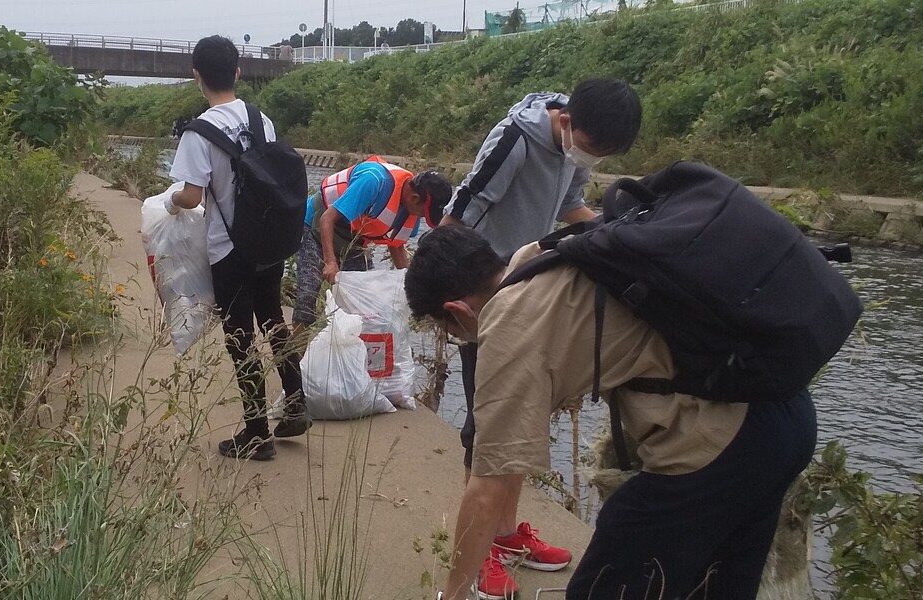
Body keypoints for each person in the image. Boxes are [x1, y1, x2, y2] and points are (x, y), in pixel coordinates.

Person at [405, 225, 818, 600]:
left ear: (458, 310)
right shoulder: (542, 255)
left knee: (601, 587)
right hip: (783, 410)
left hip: (723, 440)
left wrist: (453, 594)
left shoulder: (508, 329)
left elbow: (485, 490)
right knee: (714, 586)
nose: (458, 338)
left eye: (449, 330)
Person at [437, 78, 642, 599]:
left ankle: (504, 535)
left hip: (530, 294)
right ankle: (479, 556)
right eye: (590, 149)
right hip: (485, 299)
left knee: (521, 423)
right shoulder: (515, 139)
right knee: (486, 431)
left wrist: (622, 231)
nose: (589, 159)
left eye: (602, 156)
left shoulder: (575, 145)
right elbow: (458, 214)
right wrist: (467, 295)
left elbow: (572, 204)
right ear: (569, 123)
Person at [168, 35, 308, 461]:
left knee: (239, 336)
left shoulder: (198, 132)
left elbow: (192, 197)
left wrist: (170, 200)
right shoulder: (259, 118)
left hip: (228, 248)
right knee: (271, 318)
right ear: (238, 72)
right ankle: (296, 399)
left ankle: (256, 434)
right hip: (267, 241)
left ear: (197, 76)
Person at [289, 157, 452, 336]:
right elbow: (327, 219)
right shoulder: (374, 182)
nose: (421, 217)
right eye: (424, 213)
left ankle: (354, 354)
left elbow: (396, 245)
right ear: (414, 198)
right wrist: (330, 261)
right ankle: (296, 359)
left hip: (353, 241)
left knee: (364, 302)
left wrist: (412, 284)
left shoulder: (411, 209)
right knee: (307, 298)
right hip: (317, 228)